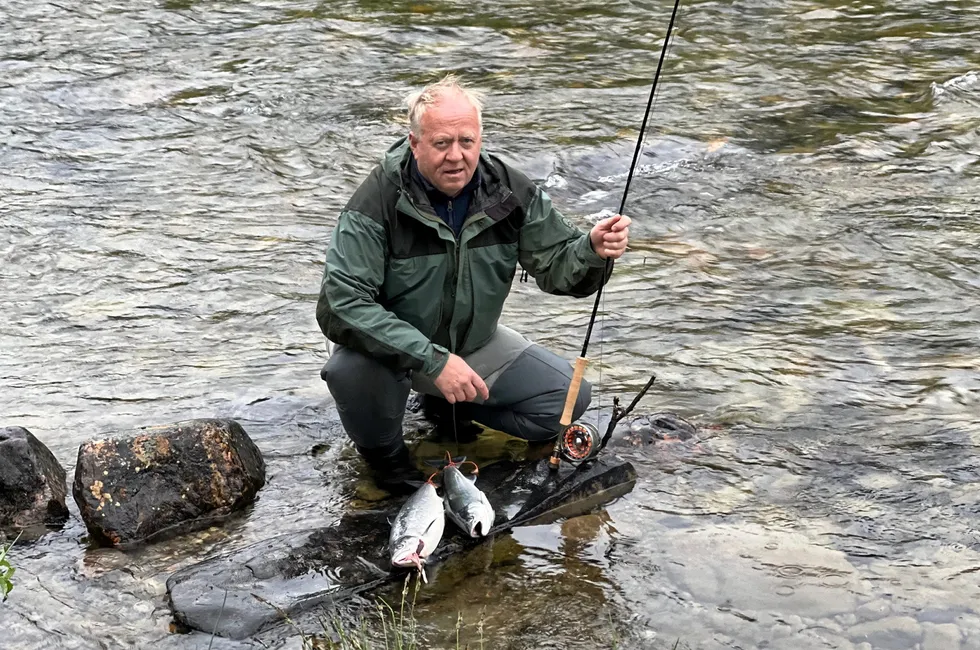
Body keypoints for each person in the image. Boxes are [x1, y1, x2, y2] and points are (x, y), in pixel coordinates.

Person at [316, 75, 630, 492]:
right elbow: (340, 305)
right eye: (441, 143)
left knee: (565, 404)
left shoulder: (508, 190)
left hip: (473, 343)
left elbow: (558, 268)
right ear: (415, 143)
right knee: (348, 369)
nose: (456, 156)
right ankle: (387, 461)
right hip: (392, 354)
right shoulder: (376, 202)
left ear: (480, 138)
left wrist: (592, 248)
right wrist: (432, 361)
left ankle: (444, 407)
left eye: (467, 141)